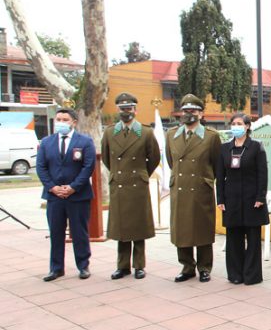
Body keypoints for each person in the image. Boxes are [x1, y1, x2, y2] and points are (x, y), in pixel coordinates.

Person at [101, 93, 161, 280]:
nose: (126, 112)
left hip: (137, 184)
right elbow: (106, 158)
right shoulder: (110, 132)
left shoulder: (145, 132)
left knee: (138, 227)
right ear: (117, 109)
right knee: (121, 228)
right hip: (119, 184)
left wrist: (141, 174)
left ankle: (139, 265)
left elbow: (154, 158)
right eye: (122, 108)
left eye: (129, 108)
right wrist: (119, 172)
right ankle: (122, 265)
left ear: (135, 109)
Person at [166, 94, 221, 283]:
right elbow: (170, 160)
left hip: (200, 188)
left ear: (201, 113)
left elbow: (216, 164)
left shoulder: (211, 136)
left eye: (193, 111)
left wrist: (206, 180)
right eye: (186, 111)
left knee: (202, 228)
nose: (189, 114)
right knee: (182, 229)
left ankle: (204, 267)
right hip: (180, 188)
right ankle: (187, 266)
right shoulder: (171, 135)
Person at [36, 108, 96, 281]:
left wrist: (73, 187)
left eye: (65, 119)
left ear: (74, 122)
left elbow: (88, 167)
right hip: (54, 196)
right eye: (58, 119)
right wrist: (52, 187)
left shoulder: (84, 141)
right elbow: (41, 167)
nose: (60, 123)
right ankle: (56, 268)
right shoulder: (47, 142)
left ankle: (83, 266)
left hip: (78, 195)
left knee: (79, 232)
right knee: (56, 233)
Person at [216, 113, 269, 285]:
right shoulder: (225, 148)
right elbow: (220, 175)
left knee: (253, 239)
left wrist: (260, 197)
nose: (236, 126)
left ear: (247, 126)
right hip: (231, 200)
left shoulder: (256, 147)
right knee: (233, 239)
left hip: (252, 199)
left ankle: (251, 275)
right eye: (233, 123)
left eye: (239, 123)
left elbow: (263, 174)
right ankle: (235, 274)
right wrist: (220, 199)